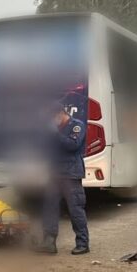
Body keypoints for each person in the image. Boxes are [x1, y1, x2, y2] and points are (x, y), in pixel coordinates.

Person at [34, 100, 89, 255]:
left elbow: (73, 145)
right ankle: (49, 243)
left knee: (75, 209)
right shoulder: (53, 129)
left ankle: (83, 243)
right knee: (49, 208)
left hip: (71, 174)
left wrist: (55, 134)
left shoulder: (76, 125)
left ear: (61, 113)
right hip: (54, 173)